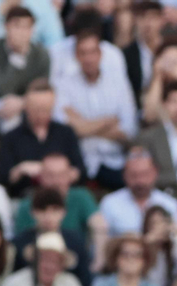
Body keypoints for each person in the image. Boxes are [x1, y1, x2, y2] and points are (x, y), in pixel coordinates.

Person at [53, 28, 136, 190]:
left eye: (92, 52)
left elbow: (128, 130)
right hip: (79, 161)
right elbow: (68, 130)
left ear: (100, 54)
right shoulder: (64, 84)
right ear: (76, 56)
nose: (88, 58)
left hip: (114, 161)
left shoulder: (118, 83)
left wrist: (84, 125)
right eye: (83, 53)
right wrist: (108, 121)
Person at [0, 7, 47, 132]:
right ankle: (10, 152)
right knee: (10, 115)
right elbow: (0, 90)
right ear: (6, 27)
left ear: (32, 30)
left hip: (28, 105)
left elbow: (43, 89)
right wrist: (17, 57)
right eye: (17, 26)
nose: (22, 32)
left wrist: (23, 102)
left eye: (27, 27)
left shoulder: (41, 54)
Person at [0, 230, 82, 286]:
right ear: (34, 261)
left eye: (54, 261)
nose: (49, 266)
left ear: (62, 266)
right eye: (45, 260)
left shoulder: (71, 284)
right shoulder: (14, 284)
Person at [91, 233, 164, 286]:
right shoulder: (102, 285)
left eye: (137, 255)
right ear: (116, 258)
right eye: (125, 254)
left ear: (145, 260)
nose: (131, 259)